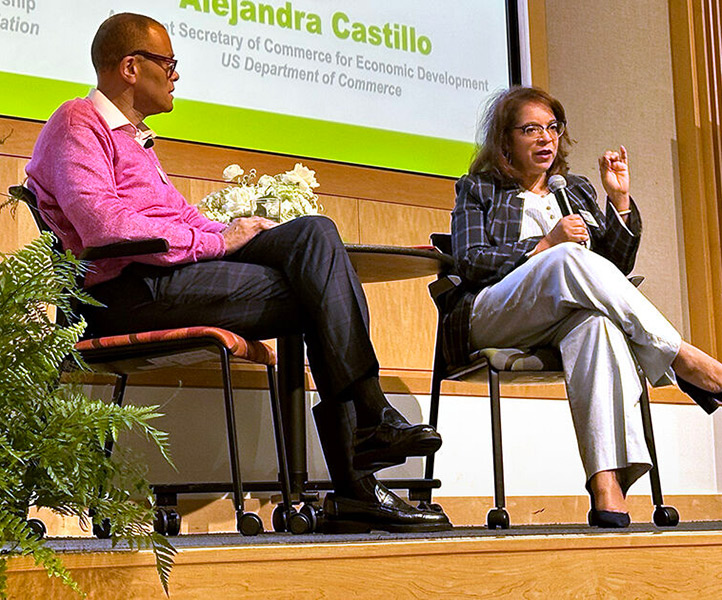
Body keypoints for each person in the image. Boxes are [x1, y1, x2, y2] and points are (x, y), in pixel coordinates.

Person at [25, 12, 450, 533]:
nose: (176, 74)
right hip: (122, 293)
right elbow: (105, 229)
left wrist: (240, 228)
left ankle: (370, 429)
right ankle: (363, 462)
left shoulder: (136, 139)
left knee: (315, 235)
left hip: (165, 278)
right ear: (132, 67)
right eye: (170, 63)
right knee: (323, 293)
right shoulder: (77, 122)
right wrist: (215, 240)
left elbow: (181, 221)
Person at [447, 86, 722, 528]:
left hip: (558, 319)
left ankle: (606, 485)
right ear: (505, 141)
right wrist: (544, 244)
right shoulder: (478, 188)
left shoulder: (572, 190)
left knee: (598, 325)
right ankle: (683, 358)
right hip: (494, 314)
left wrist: (619, 201)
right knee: (567, 258)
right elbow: (470, 261)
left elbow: (610, 270)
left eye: (552, 128)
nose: (546, 139)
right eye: (531, 129)